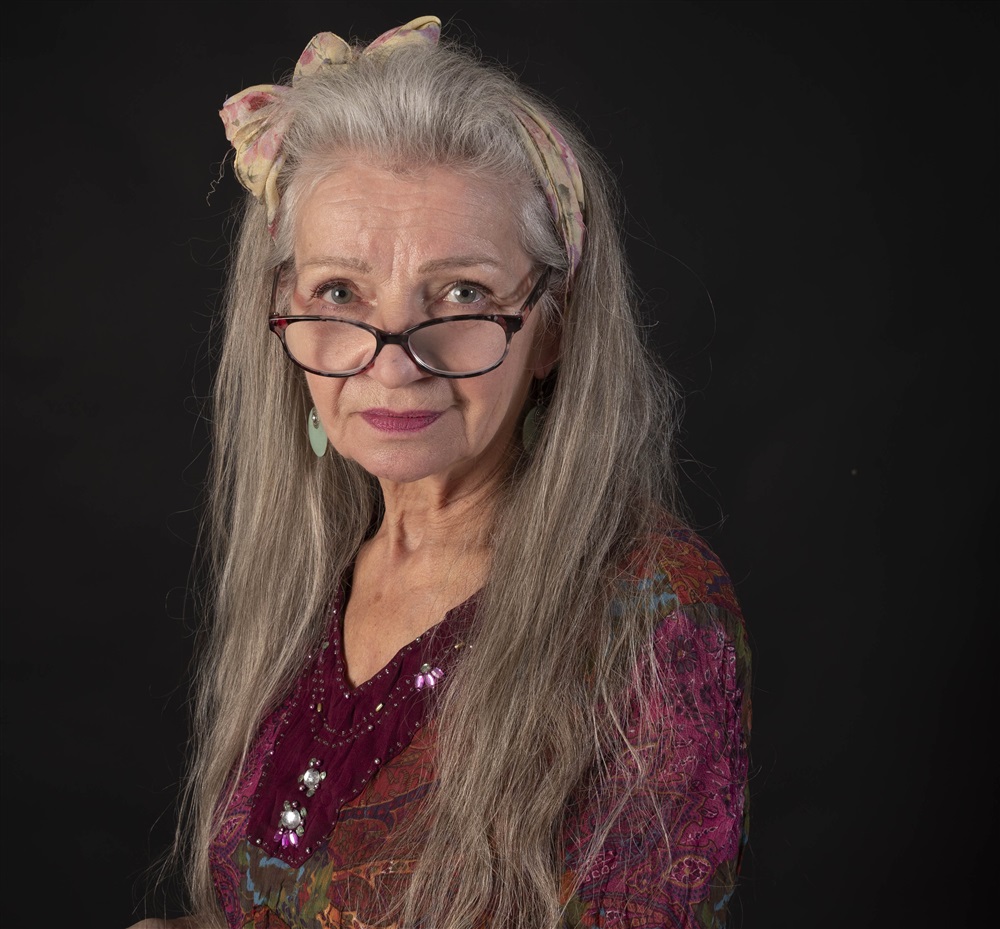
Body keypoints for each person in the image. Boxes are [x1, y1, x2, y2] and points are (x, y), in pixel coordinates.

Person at [130, 13, 751, 929]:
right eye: (340, 292)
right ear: (282, 310)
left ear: (553, 326)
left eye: (462, 293)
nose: (394, 361)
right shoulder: (321, 559)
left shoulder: (653, 614)